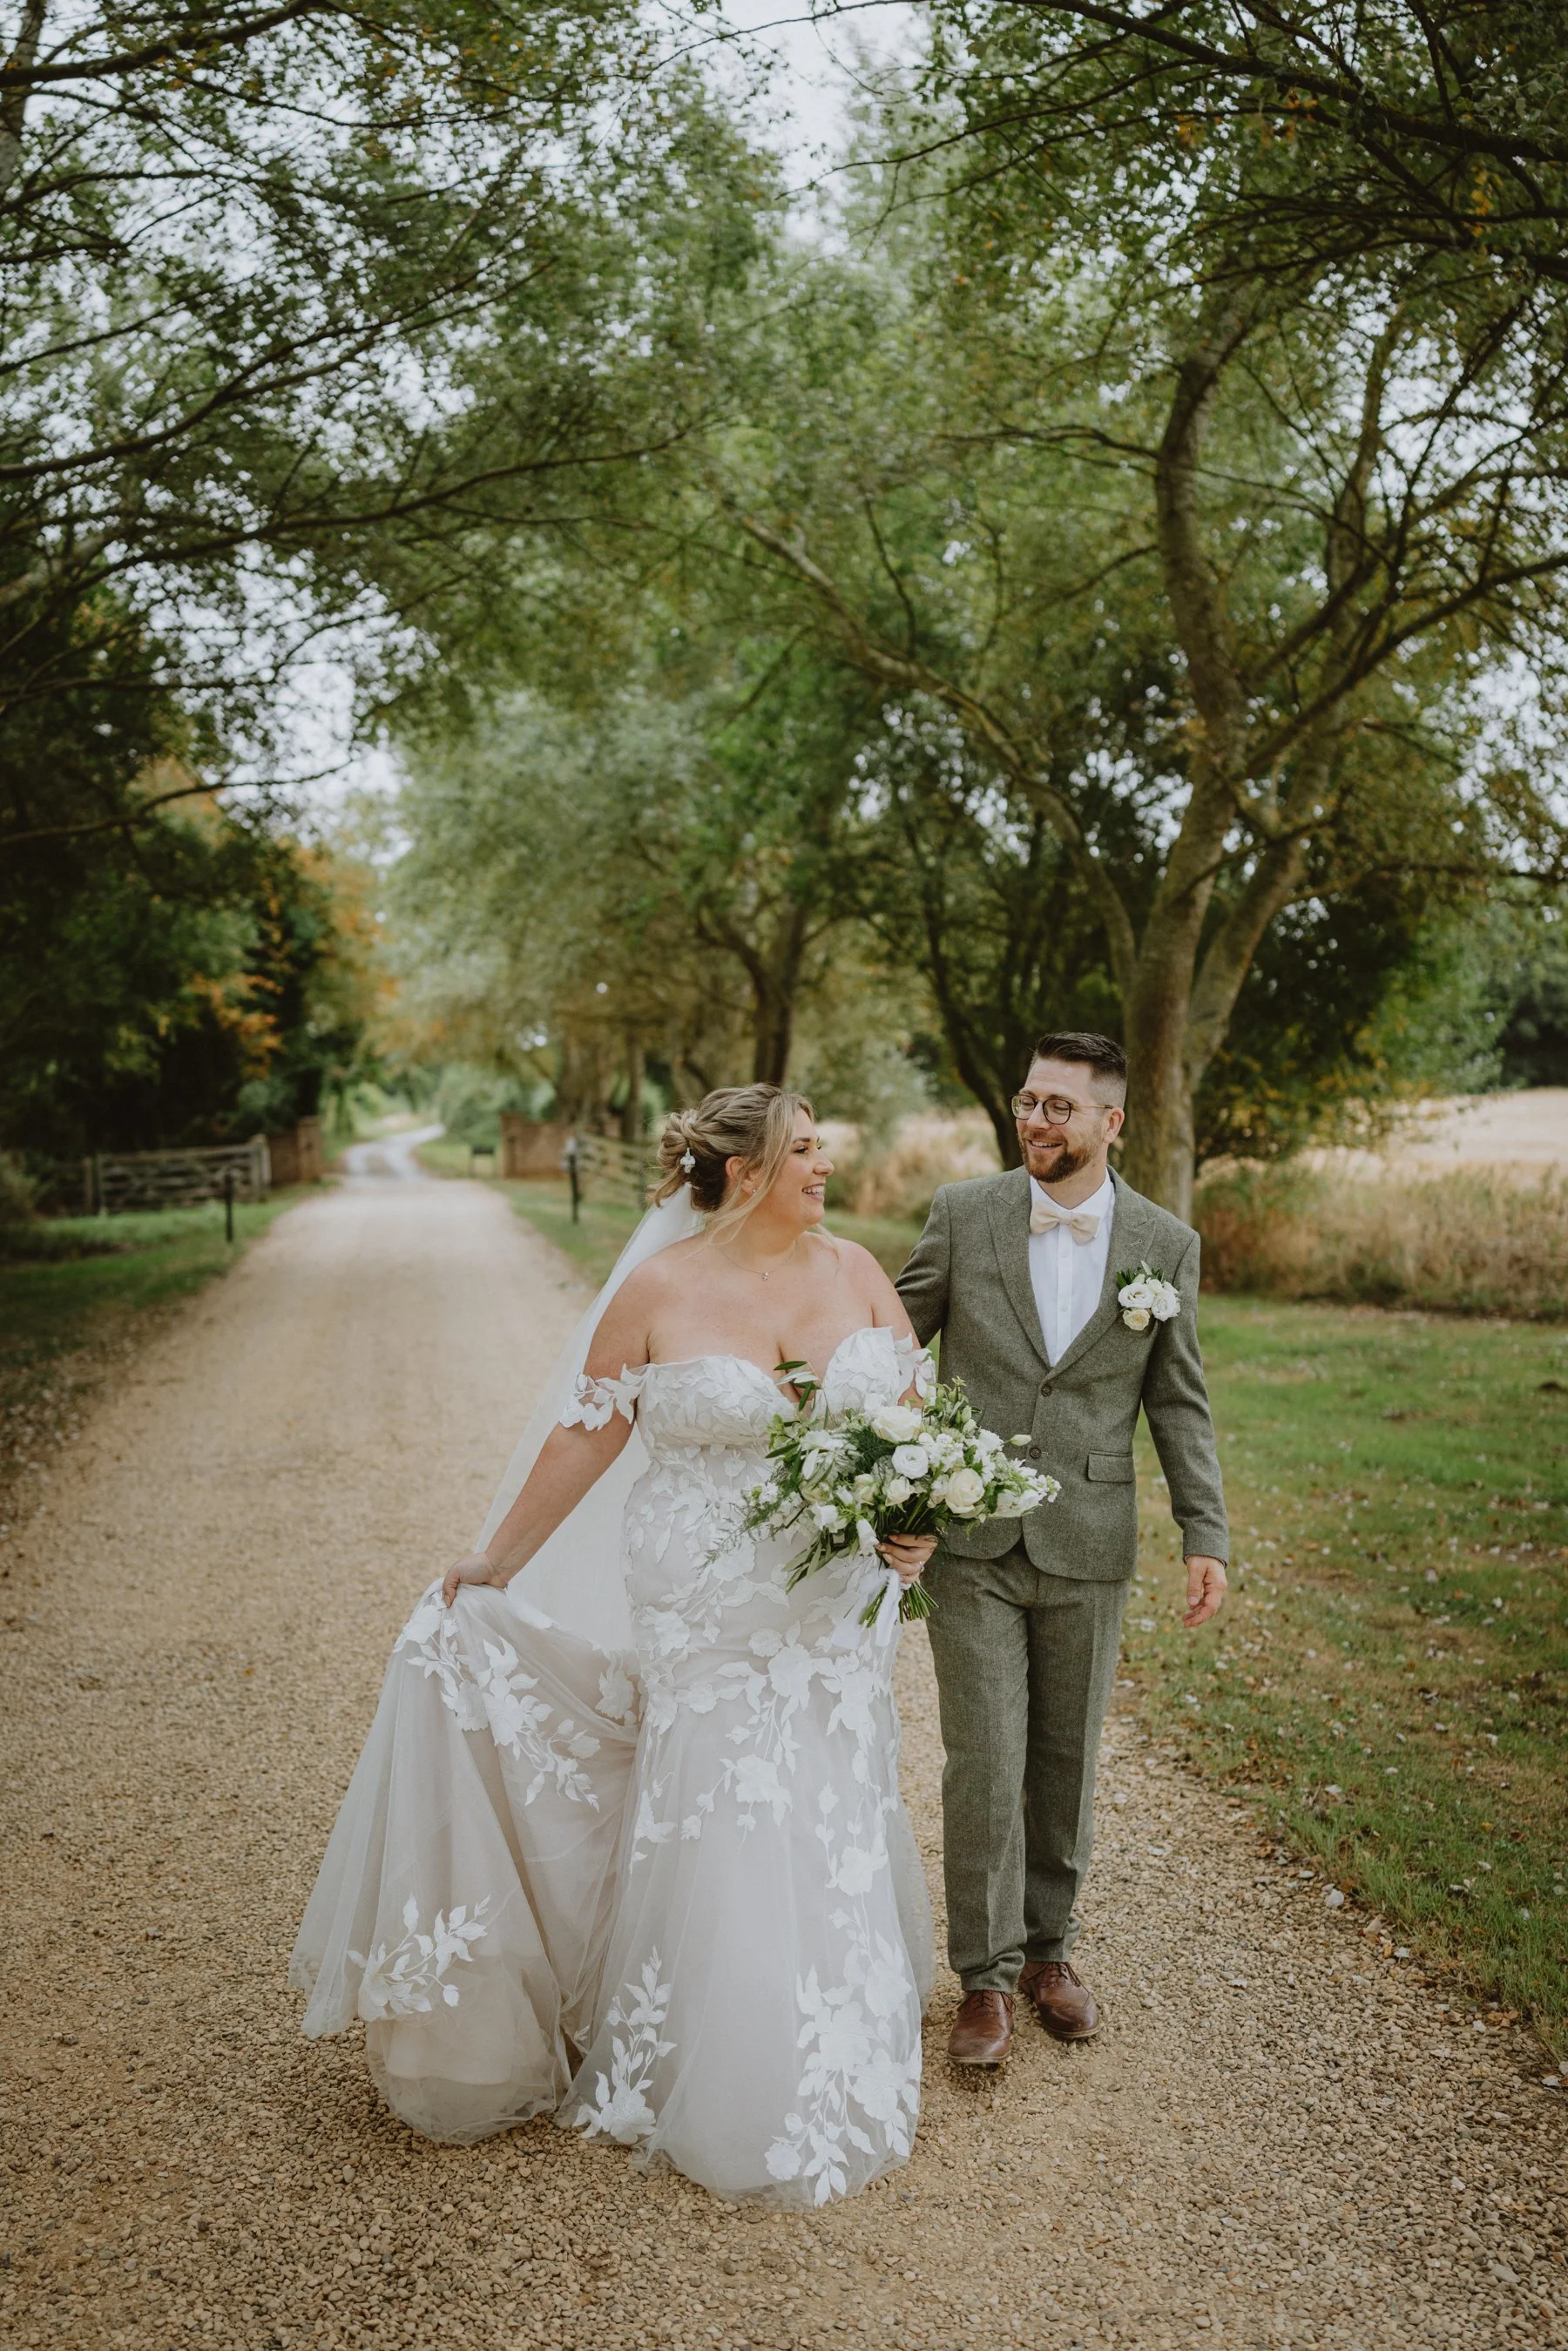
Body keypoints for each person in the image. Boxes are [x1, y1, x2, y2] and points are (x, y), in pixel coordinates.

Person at [291, 1086, 936, 2206]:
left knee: (822, 1792)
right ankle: (715, 2060)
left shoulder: (861, 1273)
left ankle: (825, 2033)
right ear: (743, 1172)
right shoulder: (659, 1288)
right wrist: (495, 1560)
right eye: (805, 1149)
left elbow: (916, 1420)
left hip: (830, 1597)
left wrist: (913, 1521)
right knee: (725, 1800)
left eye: (823, 1146)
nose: (826, 1165)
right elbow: (589, 1430)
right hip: (703, 1595)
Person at [896, 1032, 1228, 2066]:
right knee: (984, 1759)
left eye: (1060, 1108)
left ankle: (1052, 1955)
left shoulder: (1165, 1244)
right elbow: (885, 1348)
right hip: (973, 1537)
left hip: (1091, 1535)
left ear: (1110, 1122)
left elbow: (1178, 1399)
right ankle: (985, 1980)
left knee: (1065, 1758)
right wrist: (879, 1478)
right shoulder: (963, 1214)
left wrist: (1204, 1531)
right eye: (1028, 1101)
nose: (1037, 1121)